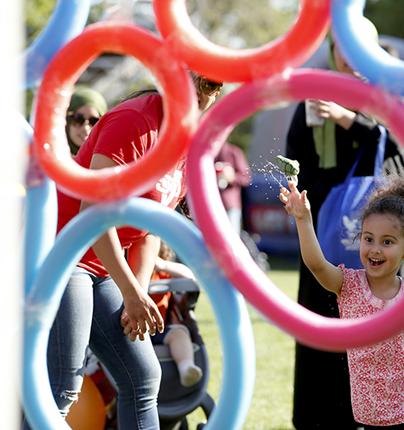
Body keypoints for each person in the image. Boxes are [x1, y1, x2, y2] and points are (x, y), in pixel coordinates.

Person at [22, 73, 221, 430]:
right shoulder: (135, 121)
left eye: (208, 84)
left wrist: (138, 294)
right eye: (188, 78)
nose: (196, 91)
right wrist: (129, 291)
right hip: (65, 254)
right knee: (63, 386)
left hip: (102, 266)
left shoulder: (188, 140)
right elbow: (93, 214)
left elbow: (148, 228)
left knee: (143, 377)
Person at [285, 22, 404, 429]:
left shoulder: (387, 98)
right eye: (344, 50)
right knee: (320, 329)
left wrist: (350, 120)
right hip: (325, 239)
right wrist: (322, 198)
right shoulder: (312, 97)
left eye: (360, 49)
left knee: (376, 337)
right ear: (333, 51)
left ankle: (375, 417)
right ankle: (318, 420)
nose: (351, 59)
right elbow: (294, 164)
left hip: (378, 245)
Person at [279, 173, 404, 429]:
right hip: (368, 410)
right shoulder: (347, 284)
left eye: (387, 242)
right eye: (368, 239)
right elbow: (316, 265)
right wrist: (303, 219)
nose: (375, 249)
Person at [146, 239, 203, 387]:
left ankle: (186, 368)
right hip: (133, 331)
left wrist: (161, 264)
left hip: (160, 330)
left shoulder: (162, 274)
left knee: (180, 333)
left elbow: (189, 277)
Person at [214, 141, 251, 233]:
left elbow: (246, 178)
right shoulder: (207, 154)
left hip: (229, 204)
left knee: (231, 237)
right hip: (211, 202)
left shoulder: (233, 152)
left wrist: (232, 177)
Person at [65, 87, 108, 156]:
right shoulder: (49, 157)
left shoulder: (109, 163)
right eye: (78, 119)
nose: (85, 128)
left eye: (94, 121)